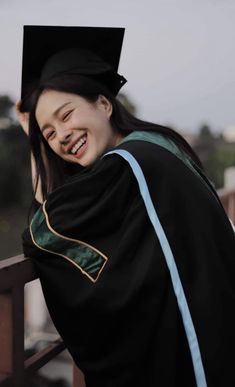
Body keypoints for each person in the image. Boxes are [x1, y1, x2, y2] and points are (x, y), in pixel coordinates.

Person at [17, 26, 235, 387]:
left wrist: (34, 145)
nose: (61, 136)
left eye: (66, 114)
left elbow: (44, 230)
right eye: (49, 134)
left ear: (103, 103)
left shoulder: (126, 167)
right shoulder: (159, 144)